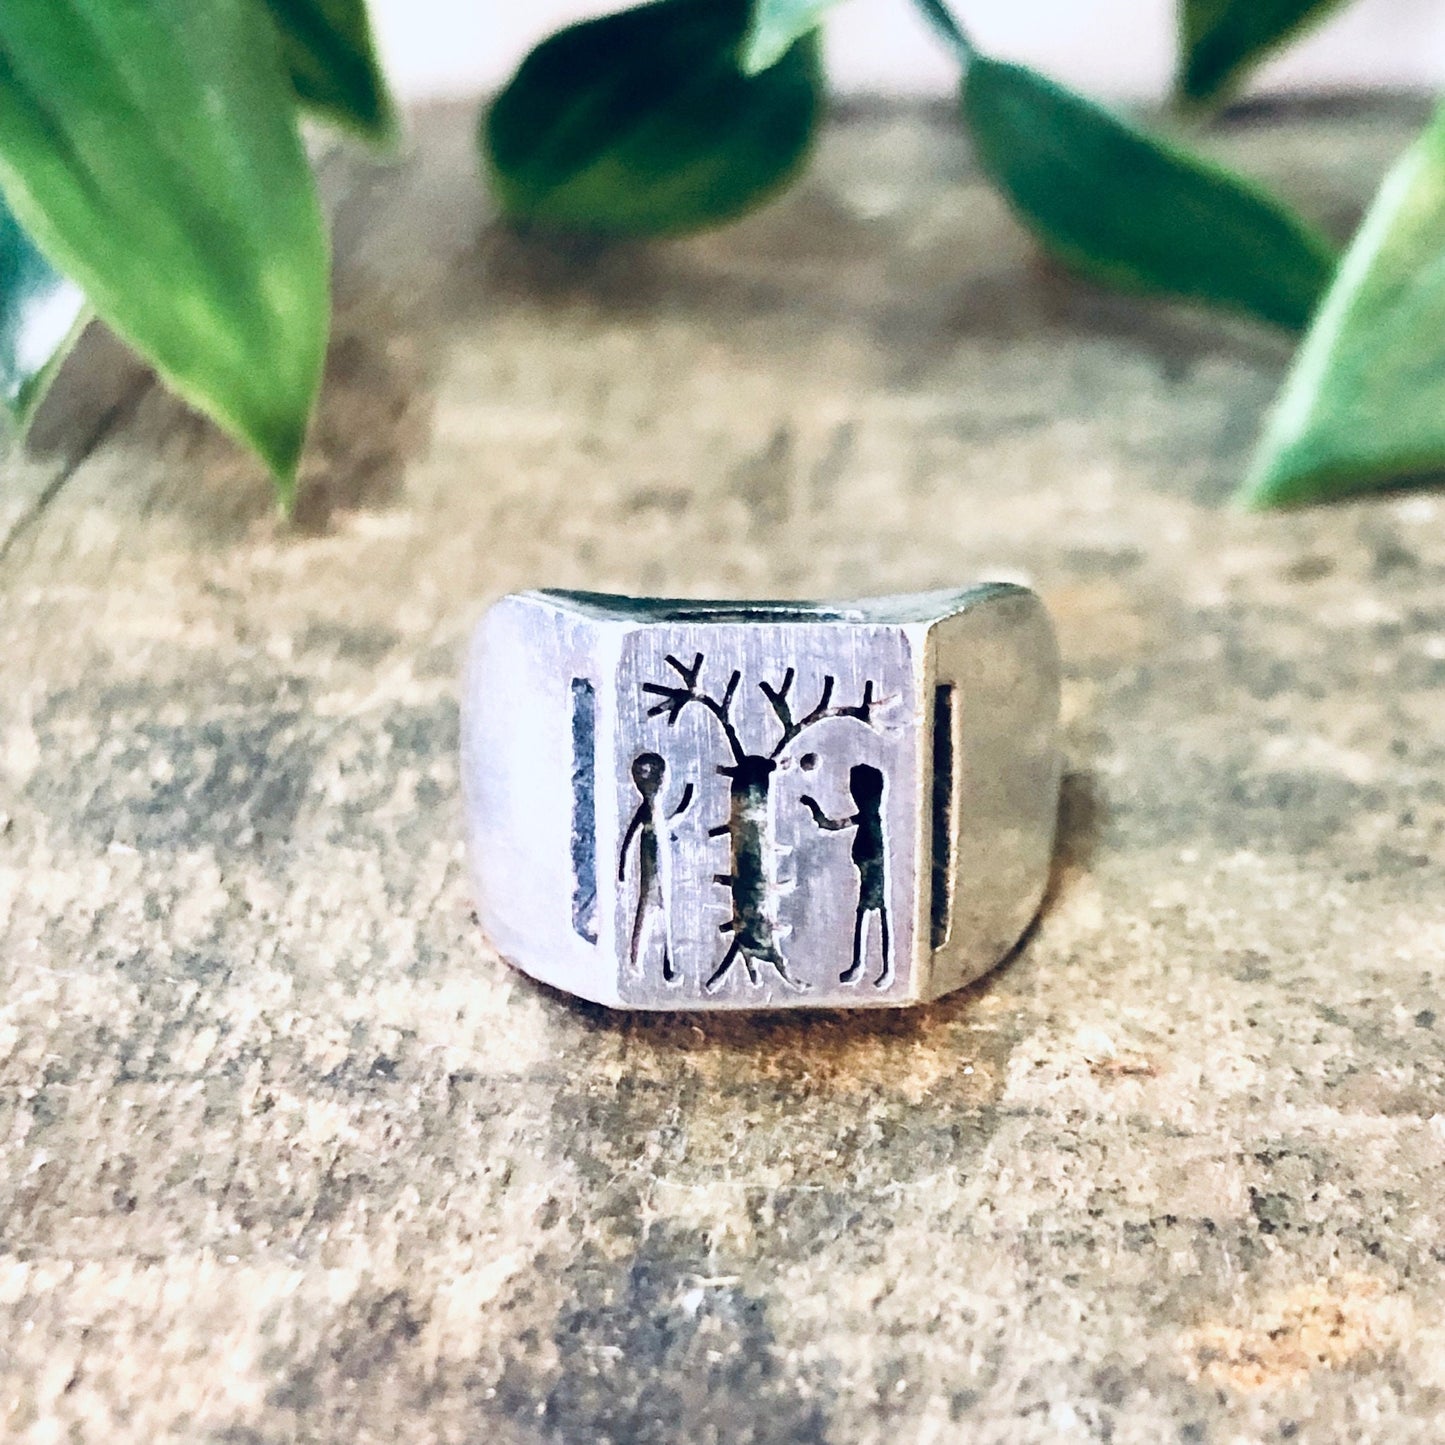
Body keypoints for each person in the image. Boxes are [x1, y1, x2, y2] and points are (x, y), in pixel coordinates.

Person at [801, 764, 890, 987]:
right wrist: (812, 806)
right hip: (867, 871)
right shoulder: (867, 818)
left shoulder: (873, 821)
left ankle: (883, 968)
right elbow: (830, 825)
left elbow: (833, 825)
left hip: (874, 873)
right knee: (869, 915)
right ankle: (862, 965)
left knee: (876, 915)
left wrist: (813, 807)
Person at [619, 752, 692, 981]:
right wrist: (622, 869)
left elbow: (670, 823)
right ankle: (635, 960)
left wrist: (686, 802)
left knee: (664, 916)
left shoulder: (656, 811)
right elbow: (630, 840)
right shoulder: (646, 810)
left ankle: (667, 965)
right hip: (650, 876)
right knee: (645, 915)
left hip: (663, 873)